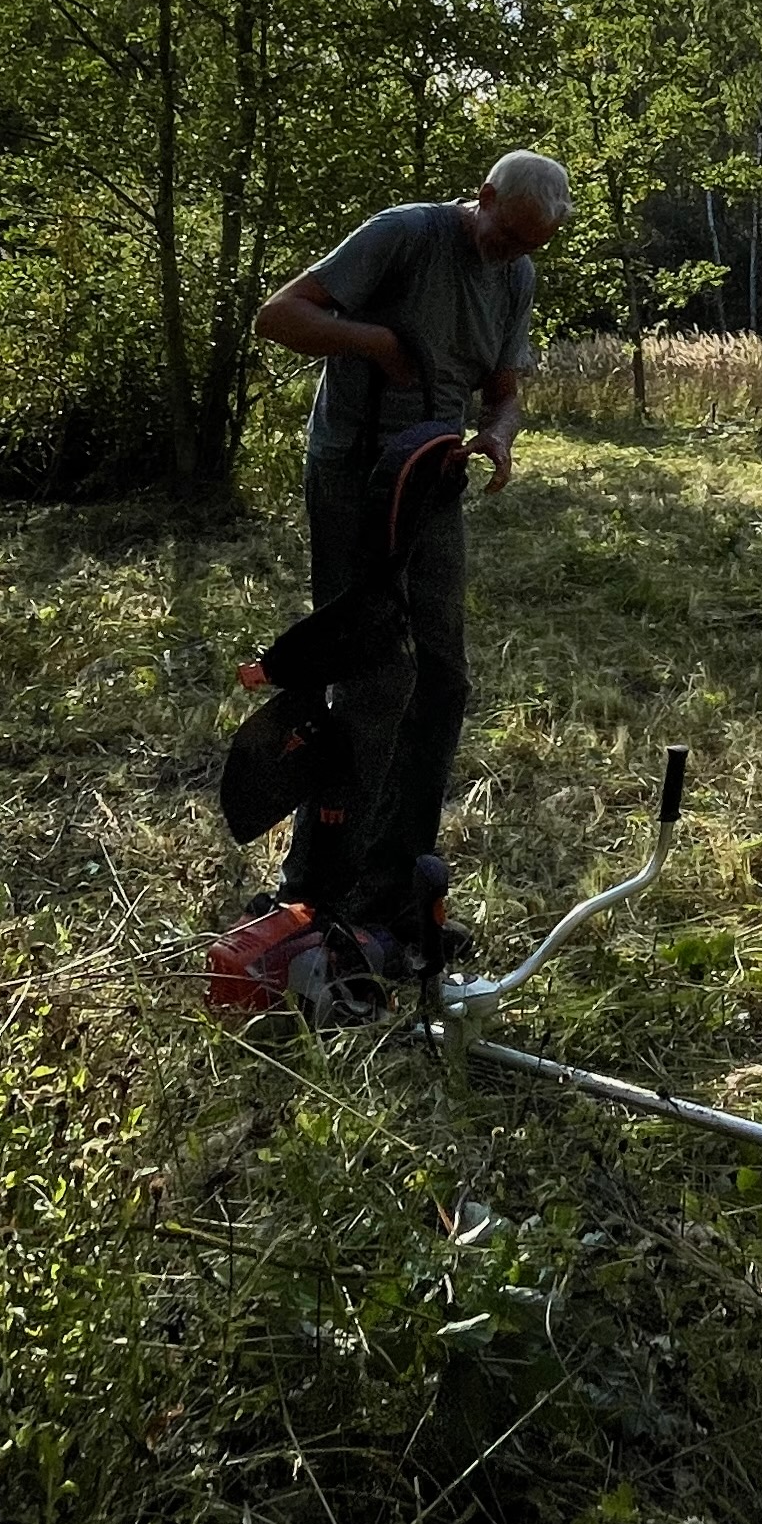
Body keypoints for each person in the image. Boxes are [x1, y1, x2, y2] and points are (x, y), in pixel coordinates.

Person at [248, 150, 569, 945]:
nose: (512, 256)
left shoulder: (516, 273)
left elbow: (504, 389)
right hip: (354, 471)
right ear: (484, 197)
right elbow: (279, 315)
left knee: (442, 679)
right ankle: (321, 888)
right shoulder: (406, 235)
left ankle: (396, 881)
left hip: (432, 478)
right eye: (507, 237)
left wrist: (496, 434)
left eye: (531, 248)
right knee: (371, 674)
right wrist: (375, 344)